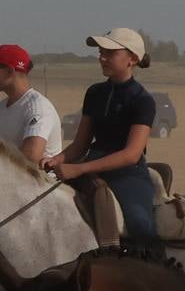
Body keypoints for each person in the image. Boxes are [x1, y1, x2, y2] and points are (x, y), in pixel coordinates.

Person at [49, 27, 162, 241]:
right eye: (101, 52)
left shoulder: (142, 100)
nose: (102, 58)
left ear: (132, 59)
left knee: (140, 225)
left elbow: (131, 154)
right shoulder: (94, 93)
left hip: (127, 174)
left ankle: (153, 271)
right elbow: (80, 145)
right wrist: (56, 160)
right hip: (90, 166)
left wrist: (79, 168)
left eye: (110, 53)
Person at [0, 45, 60, 167]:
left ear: (9, 72)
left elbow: (31, 157)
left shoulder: (38, 108)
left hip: (38, 184)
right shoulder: (3, 106)